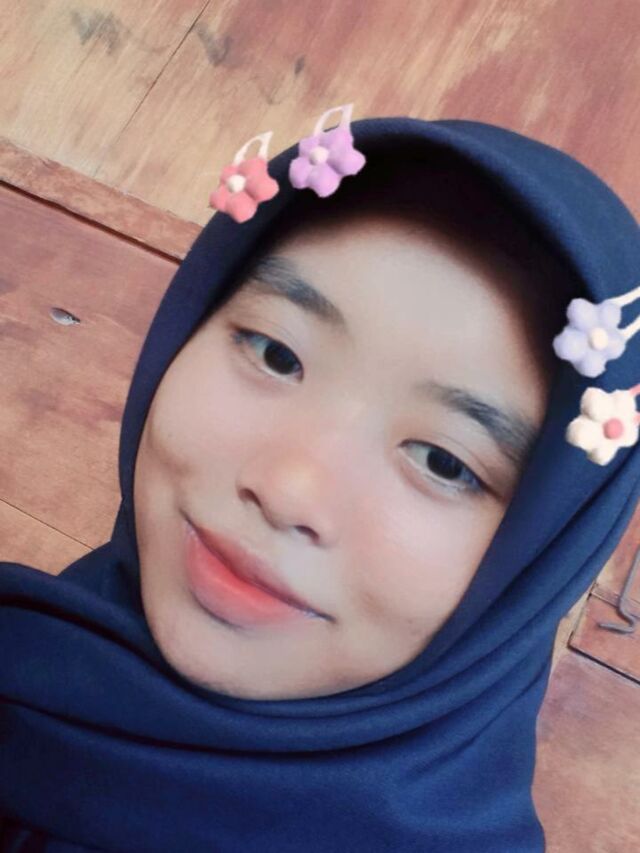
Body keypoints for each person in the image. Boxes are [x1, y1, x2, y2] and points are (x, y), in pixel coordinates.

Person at [1, 113, 639, 851]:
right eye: (276, 353)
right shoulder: (33, 653)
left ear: (539, 560)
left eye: (444, 461)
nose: (288, 489)